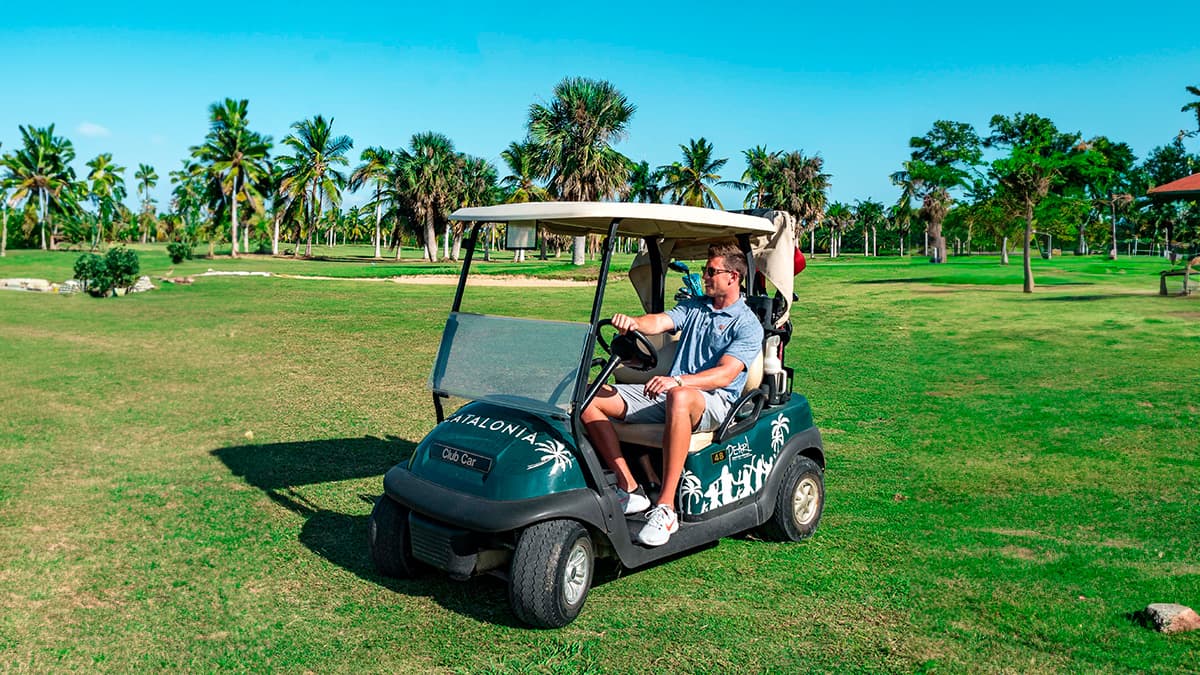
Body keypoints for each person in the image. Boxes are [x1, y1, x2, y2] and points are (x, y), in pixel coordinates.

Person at [581, 242, 764, 546]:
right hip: (672, 392)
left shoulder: (747, 324)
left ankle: (666, 509)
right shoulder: (696, 306)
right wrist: (634, 323)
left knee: (679, 397)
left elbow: (725, 374)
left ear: (733, 276)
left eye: (710, 271)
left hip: (714, 401)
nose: (704, 276)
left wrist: (677, 381)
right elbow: (660, 321)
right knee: (588, 396)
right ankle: (630, 488)